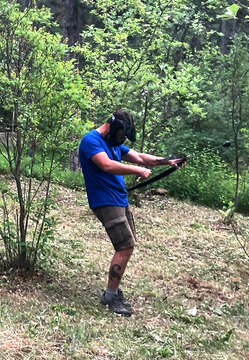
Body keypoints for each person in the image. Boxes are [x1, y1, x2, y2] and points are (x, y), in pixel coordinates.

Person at [78, 110, 184, 317]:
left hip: (119, 199)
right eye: (120, 135)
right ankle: (110, 296)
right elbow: (106, 165)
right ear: (111, 127)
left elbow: (141, 158)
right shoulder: (91, 141)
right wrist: (137, 171)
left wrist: (167, 161)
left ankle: (112, 291)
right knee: (125, 246)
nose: (121, 140)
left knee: (127, 245)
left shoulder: (114, 143)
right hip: (105, 201)